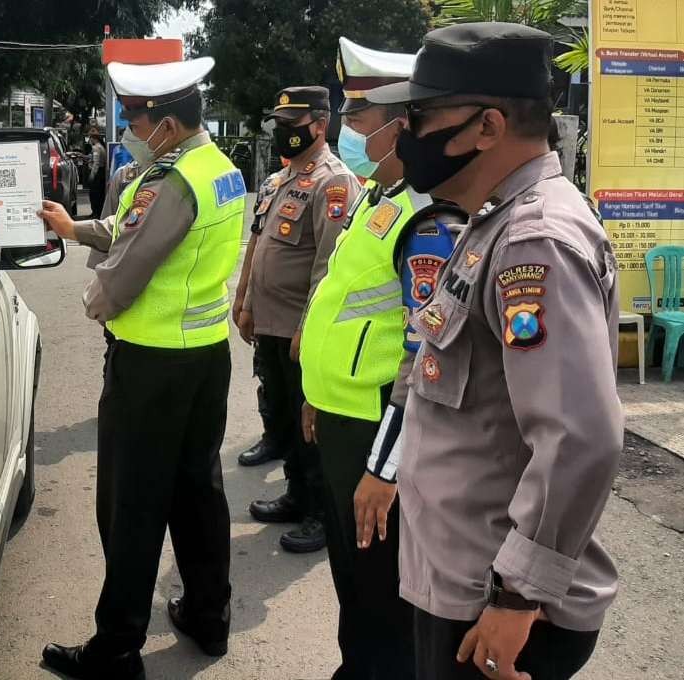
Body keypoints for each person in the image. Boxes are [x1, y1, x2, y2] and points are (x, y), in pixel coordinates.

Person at [364, 22, 622, 680]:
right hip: (461, 578)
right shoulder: (493, 220)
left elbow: (580, 437)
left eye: (419, 116)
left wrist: (518, 596)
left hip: (494, 603)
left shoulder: (534, 240)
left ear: (485, 127)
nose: (403, 136)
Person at [36, 56, 245, 680]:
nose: (128, 125)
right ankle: (210, 614)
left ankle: (117, 649)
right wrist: (75, 228)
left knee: (131, 505)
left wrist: (89, 301)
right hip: (205, 358)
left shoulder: (172, 182)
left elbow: (125, 273)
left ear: (169, 123)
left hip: (152, 366)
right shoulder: (218, 171)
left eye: (135, 116)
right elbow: (132, 229)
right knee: (197, 491)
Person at [296, 37, 466, 679]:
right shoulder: (376, 196)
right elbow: (344, 306)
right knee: (353, 585)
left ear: (401, 126)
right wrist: (317, 392)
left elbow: (423, 354)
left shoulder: (428, 218)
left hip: (378, 432)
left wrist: (385, 470)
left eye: (360, 119)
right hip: (342, 415)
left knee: (381, 598)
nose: (348, 131)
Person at [237, 86, 359, 554]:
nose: (284, 132)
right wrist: (244, 299)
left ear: (320, 126)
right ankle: (296, 493)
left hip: (299, 328)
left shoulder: (334, 182)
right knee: (285, 419)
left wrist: (308, 328)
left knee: (312, 429)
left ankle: (320, 514)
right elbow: (258, 243)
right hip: (268, 322)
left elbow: (327, 267)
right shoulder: (277, 179)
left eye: (294, 124)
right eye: (281, 124)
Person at [88, 127, 109, 218]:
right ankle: (98, 212)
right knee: (100, 194)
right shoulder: (101, 146)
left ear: (93, 138)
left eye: (90, 138)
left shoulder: (96, 148)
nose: (90, 140)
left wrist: (92, 176)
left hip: (97, 174)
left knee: (94, 194)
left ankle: (96, 212)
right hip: (102, 174)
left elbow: (96, 163)